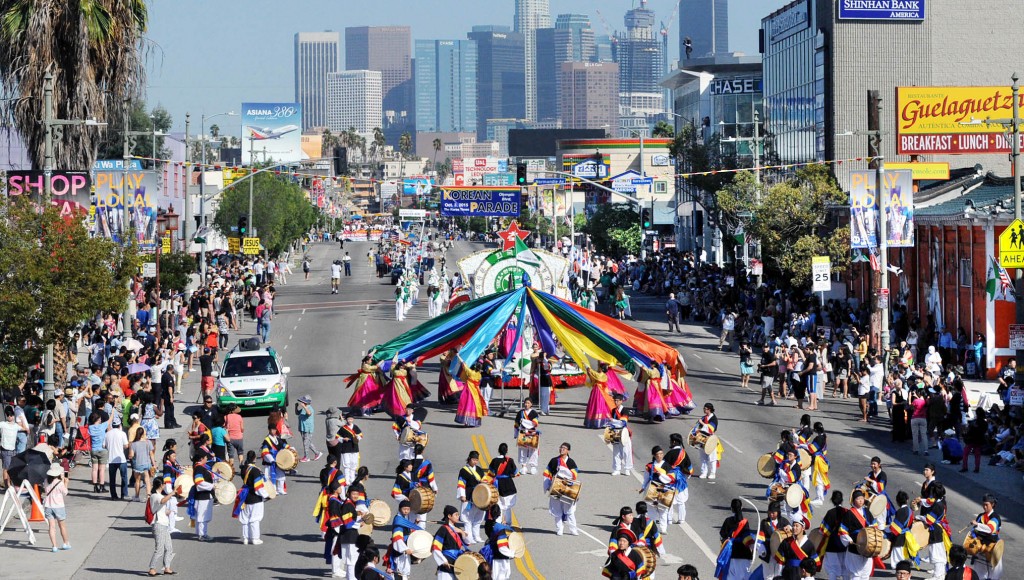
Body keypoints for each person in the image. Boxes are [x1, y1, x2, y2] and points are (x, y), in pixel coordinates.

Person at [325, 483, 363, 578]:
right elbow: (347, 523)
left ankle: (346, 575)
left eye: (357, 494)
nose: (356, 496)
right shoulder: (347, 505)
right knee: (351, 560)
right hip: (348, 535)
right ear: (349, 494)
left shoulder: (349, 504)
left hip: (347, 535)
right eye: (353, 494)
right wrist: (360, 523)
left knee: (349, 560)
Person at [839, 490, 879, 580]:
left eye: (862, 498)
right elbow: (842, 530)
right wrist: (848, 540)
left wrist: (872, 531)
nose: (861, 501)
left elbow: (874, 524)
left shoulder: (867, 511)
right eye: (858, 499)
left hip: (868, 545)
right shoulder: (849, 513)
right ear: (853, 501)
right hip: (855, 545)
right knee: (856, 573)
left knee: (865, 573)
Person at [543, 442, 579, 536]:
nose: (562, 449)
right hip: (556, 486)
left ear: (568, 451)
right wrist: (547, 486)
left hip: (567, 487)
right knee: (556, 509)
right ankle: (559, 528)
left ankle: (573, 529)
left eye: (564, 448)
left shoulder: (571, 462)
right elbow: (547, 473)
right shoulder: (554, 460)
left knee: (569, 510)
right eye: (561, 447)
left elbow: (574, 475)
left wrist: (564, 471)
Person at [717, 499, 755, 580]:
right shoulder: (745, 522)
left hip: (730, 554)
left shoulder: (728, 521)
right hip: (744, 554)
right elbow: (747, 537)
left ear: (731, 508)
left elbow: (722, 535)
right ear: (741, 508)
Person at [967, 493, 1001, 580]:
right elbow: (975, 530)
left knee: (992, 574)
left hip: (991, 549)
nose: (984, 507)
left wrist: (977, 524)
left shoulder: (995, 517)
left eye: (987, 505)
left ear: (992, 505)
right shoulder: (980, 516)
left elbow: (990, 529)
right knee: (978, 573)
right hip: (979, 547)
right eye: (983, 504)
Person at [237, 450, 268, 545]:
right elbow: (258, 487)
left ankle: (246, 538)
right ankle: (255, 538)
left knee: (245, 518)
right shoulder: (255, 470)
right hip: (255, 497)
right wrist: (266, 495)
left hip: (245, 496)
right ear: (254, 458)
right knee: (255, 518)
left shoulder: (244, 469)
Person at [662, 434, 693, 526]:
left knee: (669, 500)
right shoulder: (684, 453)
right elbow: (690, 468)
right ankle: (681, 519)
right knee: (681, 501)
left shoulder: (670, 453)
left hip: (670, 478)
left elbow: (664, 467)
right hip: (680, 479)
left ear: (674, 442)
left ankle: (669, 519)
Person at [457, 450, 487, 543]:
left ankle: (476, 536)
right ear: (469, 459)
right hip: (468, 494)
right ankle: (468, 538)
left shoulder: (479, 470)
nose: (475, 462)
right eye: (474, 459)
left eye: (477, 460)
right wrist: (462, 495)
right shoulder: (464, 470)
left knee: (478, 517)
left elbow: (484, 479)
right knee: (467, 518)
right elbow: (461, 483)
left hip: (479, 495)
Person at [147, 479, 175, 576]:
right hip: (158, 525)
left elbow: (160, 508)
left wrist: (168, 511)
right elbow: (162, 501)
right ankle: (152, 568)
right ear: (161, 485)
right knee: (159, 549)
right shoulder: (155, 496)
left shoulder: (157, 496)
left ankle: (167, 567)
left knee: (169, 547)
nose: (165, 486)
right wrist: (172, 493)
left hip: (164, 524)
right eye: (164, 484)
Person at [433, 505, 469, 580]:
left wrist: (462, 533)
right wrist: (443, 561)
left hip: (457, 561)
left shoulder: (458, 529)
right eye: (456, 514)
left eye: (458, 514)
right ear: (449, 516)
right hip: (447, 561)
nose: (458, 516)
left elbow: (466, 543)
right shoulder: (443, 529)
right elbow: (435, 548)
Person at [487, 443, 518, 525]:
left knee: (498, 503)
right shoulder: (510, 460)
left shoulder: (494, 460)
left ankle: (498, 521)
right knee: (508, 505)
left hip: (497, 484)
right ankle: (508, 522)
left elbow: (490, 473)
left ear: (498, 450)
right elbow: (515, 472)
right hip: (508, 483)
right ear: (506, 450)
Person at [817, 490, 846, 580]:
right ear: (842, 500)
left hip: (832, 545)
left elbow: (823, 531)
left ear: (832, 500)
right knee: (845, 568)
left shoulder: (830, 512)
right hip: (844, 545)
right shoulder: (847, 512)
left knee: (832, 569)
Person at [757, 501, 791, 579]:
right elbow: (760, 538)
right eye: (770, 512)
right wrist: (761, 549)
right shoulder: (764, 523)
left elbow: (791, 532)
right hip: (768, 551)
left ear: (778, 512)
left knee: (779, 575)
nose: (771, 514)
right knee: (768, 576)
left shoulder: (784, 521)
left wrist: (789, 528)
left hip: (781, 553)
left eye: (773, 512)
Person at [388, 500, 419, 580]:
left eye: (408, 509)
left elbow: (408, 531)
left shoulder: (403, 518)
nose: (406, 511)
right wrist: (405, 549)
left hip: (405, 547)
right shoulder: (398, 521)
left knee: (405, 572)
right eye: (404, 509)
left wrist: (415, 524)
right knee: (401, 572)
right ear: (400, 508)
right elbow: (397, 538)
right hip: (400, 550)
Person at [42, 464, 71, 552]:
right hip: (58, 506)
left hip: (48, 506)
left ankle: (54, 546)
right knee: (62, 526)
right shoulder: (60, 483)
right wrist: (66, 483)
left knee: (51, 527)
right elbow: (65, 492)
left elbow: (45, 489)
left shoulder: (46, 481)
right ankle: (66, 543)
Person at [484, 504, 516, 580]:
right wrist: (512, 553)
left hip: (490, 552)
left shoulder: (487, 523)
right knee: (501, 575)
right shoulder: (500, 528)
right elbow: (502, 547)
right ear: (499, 514)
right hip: (500, 556)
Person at [454, 356, 488, 427]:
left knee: (467, 405)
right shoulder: (479, 375)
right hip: (475, 391)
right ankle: (473, 422)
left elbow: (464, 365)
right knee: (474, 406)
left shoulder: (471, 373)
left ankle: (466, 422)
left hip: (468, 391)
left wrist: (459, 356)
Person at [191, 450, 216, 541]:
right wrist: (212, 486)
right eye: (206, 457)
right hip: (203, 496)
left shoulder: (201, 467)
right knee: (203, 516)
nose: (207, 459)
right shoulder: (199, 468)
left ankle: (200, 533)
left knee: (201, 516)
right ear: (201, 459)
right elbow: (199, 482)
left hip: (203, 495)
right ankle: (202, 534)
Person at [260, 424, 291, 495]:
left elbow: (283, 445)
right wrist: (271, 459)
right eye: (272, 430)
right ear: (269, 430)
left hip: (278, 460)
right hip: (271, 462)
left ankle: (280, 489)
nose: (274, 431)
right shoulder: (266, 440)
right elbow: (265, 452)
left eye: (275, 429)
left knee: (281, 475)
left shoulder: (277, 438)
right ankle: (273, 490)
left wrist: (289, 448)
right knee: (271, 477)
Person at [692, 403, 721, 479]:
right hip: (702, 439)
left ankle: (712, 473)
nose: (704, 410)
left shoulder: (714, 418)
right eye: (704, 408)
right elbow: (697, 427)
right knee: (703, 457)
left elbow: (711, 429)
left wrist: (702, 423)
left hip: (711, 439)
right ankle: (703, 472)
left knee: (712, 458)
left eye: (705, 408)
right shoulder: (703, 417)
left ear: (709, 409)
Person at [887, 490, 914, 569]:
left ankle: (901, 568)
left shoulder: (900, 511)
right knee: (903, 551)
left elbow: (896, 528)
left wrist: (886, 530)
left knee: (897, 553)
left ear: (897, 501)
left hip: (900, 536)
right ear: (907, 500)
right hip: (907, 534)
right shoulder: (910, 510)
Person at [609, 392, 633, 476]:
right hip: (615, 432)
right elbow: (612, 422)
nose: (616, 402)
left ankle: (627, 468)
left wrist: (613, 420)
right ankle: (617, 469)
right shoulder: (613, 410)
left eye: (617, 400)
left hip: (623, 432)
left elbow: (623, 422)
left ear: (621, 401)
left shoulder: (625, 410)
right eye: (615, 400)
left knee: (626, 451)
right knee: (616, 452)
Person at [514, 398, 540, 475]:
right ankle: (523, 467)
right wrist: (515, 434)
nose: (526, 404)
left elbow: (534, 423)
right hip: (522, 433)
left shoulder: (534, 413)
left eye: (528, 403)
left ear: (531, 404)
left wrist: (524, 421)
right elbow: (516, 424)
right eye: (525, 403)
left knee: (533, 450)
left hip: (532, 433)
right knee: (522, 450)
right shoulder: (520, 413)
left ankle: (533, 467)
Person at [104, 420, 129, 500]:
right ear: (120, 425)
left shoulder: (107, 434)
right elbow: (126, 445)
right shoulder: (122, 434)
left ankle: (113, 495)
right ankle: (124, 494)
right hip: (121, 459)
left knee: (112, 479)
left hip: (111, 459)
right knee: (124, 477)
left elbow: (104, 445)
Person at [128, 427, 155, 502]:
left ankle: (137, 496)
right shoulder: (148, 442)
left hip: (138, 464)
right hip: (147, 463)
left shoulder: (133, 444)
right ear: (143, 434)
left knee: (137, 481)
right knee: (147, 480)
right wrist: (154, 464)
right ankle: (148, 496)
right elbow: (151, 454)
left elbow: (131, 455)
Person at [296, 395, 323, 463]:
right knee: (308, 442)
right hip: (302, 428)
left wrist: (304, 407)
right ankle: (317, 453)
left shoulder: (309, 408)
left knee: (306, 443)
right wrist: (296, 407)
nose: (301, 402)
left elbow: (309, 413)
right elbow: (297, 413)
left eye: (302, 401)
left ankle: (306, 457)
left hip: (307, 429)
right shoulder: (303, 408)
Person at [337, 412, 362, 483]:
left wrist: (357, 438)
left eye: (351, 419)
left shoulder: (355, 427)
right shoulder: (343, 428)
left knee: (354, 464)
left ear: (353, 419)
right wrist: (343, 439)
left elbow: (361, 435)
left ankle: (353, 479)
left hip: (354, 447)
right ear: (346, 420)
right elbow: (337, 436)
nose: (350, 420)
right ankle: (347, 480)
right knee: (346, 464)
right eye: (348, 419)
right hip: (345, 448)